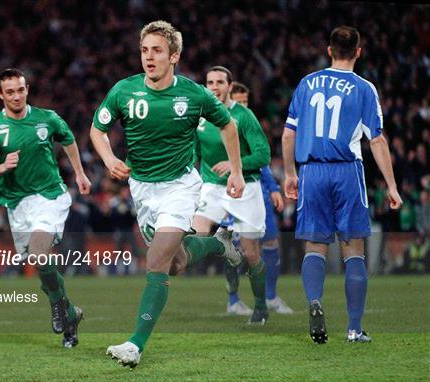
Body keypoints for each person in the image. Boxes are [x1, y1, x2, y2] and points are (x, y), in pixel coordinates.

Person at [90, 20, 245, 368]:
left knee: (156, 262)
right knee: (173, 265)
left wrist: (236, 170)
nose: (149, 57)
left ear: (174, 56)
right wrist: (109, 158)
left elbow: (228, 125)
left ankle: (135, 344)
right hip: (142, 189)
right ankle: (220, 244)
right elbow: (97, 130)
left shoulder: (193, 94)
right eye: (144, 50)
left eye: (157, 50)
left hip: (180, 186)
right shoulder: (124, 91)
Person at [282, 26, 402, 344]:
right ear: (358, 52)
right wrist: (391, 185)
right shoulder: (364, 88)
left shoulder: (307, 84)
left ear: (329, 50)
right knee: (354, 250)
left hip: (312, 172)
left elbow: (288, 134)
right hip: (347, 171)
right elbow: (376, 139)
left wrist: (290, 173)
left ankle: (314, 302)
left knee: (315, 246)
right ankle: (354, 328)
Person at [0, 68, 91, 348]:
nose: (16, 96)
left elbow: (68, 138)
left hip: (50, 195)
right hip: (17, 204)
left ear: (27, 89)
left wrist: (80, 174)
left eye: (21, 89)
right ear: (0, 95)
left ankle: (59, 309)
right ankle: (70, 313)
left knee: (39, 253)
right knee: (38, 262)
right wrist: (2, 166)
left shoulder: (46, 118)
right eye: (9, 92)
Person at [193, 67, 271, 324]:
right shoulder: (201, 118)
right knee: (197, 232)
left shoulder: (244, 116)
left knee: (250, 254)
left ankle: (260, 307)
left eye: (219, 82)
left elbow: (263, 156)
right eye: (209, 82)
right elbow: (194, 156)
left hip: (245, 187)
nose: (214, 87)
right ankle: (220, 244)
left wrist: (234, 164)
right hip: (213, 187)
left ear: (230, 86)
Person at [228, 82, 294, 314]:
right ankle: (234, 300)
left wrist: (273, 188)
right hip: (232, 193)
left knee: (271, 242)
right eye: (240, 102)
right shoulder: (222, 125)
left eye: (247, 102)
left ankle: (271, 297)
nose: (244, 106)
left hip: (258, 193)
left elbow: (261, 161)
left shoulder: (248, 123)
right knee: (236, 250)